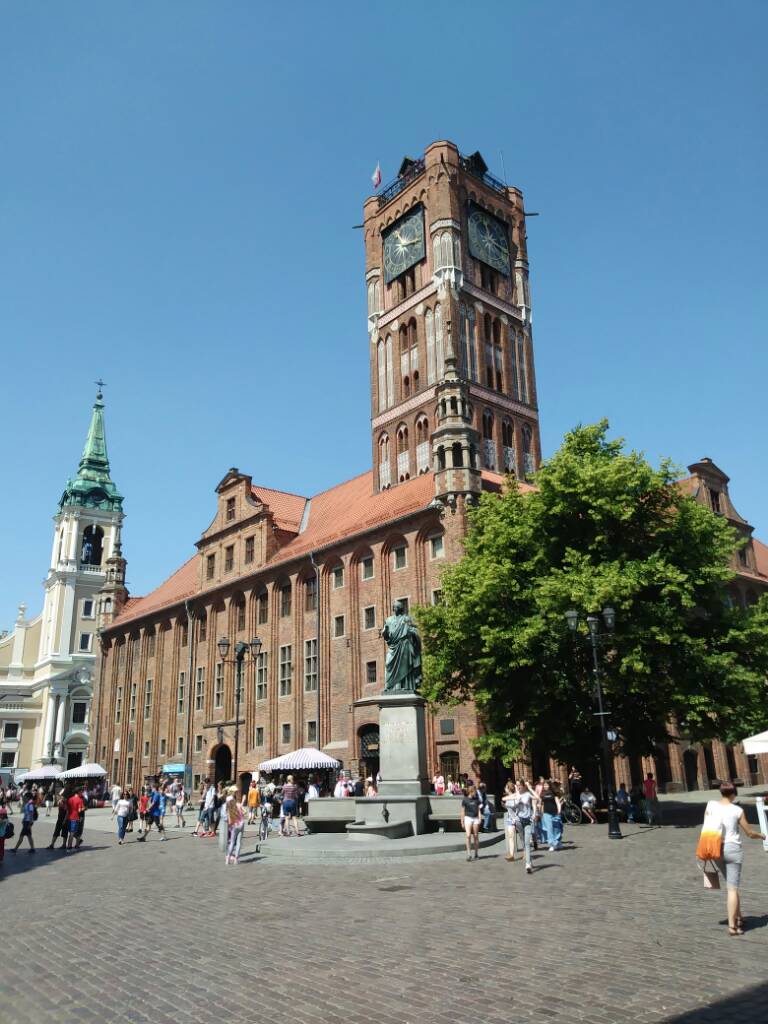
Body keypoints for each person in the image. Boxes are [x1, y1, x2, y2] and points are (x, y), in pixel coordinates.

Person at [699, 783, 765, 936]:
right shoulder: (737, 810)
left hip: (716, 848)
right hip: (732, 849)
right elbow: (749, 833)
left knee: (731, 885)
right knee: (732, 889)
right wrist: (761, 835)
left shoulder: (710, 805)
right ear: (733, 794)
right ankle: (732, 926)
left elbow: (707, 824)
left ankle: (739, 917)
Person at [504, 780, 534, 873]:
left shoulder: (519, 795)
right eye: (517, 786)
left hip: (518, 818)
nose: (505, 789)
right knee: (511, 836)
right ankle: (512, 854)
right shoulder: (510, 797)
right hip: (511, 818)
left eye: (506, 787)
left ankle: (526, 855)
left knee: (523, 838)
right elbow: (508, 806)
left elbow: (517, 806)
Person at [460, 783, 482, 861]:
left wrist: (480, 818)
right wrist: (462, 821)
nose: (476, 793)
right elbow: (462, 811)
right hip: (468, 818)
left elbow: (479, 810)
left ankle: (476, 854)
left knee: (476, 835)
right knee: (468, 835)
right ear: (471, 791)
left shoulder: (477, 800)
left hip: (475, 818)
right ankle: (469, 854)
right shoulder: (465, 799)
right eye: (475, 791)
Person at [225, 786, 245, 865]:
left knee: (232, 842)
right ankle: (236, 859)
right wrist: (243, 802)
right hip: (241, 824)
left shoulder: (229, 805)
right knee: (239, 843)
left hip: (234, 825)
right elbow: (244, 812)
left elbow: (228, 813)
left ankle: (228, 859)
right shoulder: (237, 804)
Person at [540, 781, 563, 851]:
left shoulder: (553, 793)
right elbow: (542, 804)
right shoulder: (543, 794)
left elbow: (558, 802)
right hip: (546, 813)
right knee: (549, 829)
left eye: (546, 785)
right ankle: (552, 844)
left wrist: (559, 811)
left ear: (549, 785)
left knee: (556, 828)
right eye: (544, 785)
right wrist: (541, 813)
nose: (545, 786)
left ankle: (557, 841)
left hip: (555, 813)